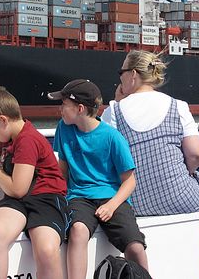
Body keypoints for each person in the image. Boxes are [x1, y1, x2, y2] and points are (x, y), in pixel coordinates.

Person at [49, 79, 148, 279]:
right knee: (77, 230)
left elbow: (130, 181)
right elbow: (63, 169)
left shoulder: (113, 138)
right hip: (78, 196)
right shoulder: (64, 128)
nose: (60, 109)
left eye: (64, 105)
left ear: (80, 108)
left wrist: (111, 206)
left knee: (135, 246)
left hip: (112, 197)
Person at [101, 50, 199, 216]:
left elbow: (104, 158)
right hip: (180, 199)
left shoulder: (113, 111)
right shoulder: (178, 105)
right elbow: (195, 154)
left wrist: (118, 103)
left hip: (134, 203)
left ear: (133, 74)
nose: (119, 77)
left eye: (121, 72)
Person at [0, 86, 68, 279]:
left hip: (46, 198)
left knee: (47, 250)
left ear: (2, 120)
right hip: (20, 201)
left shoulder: (27, 140)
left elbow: (17, 189)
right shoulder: (11, 133)